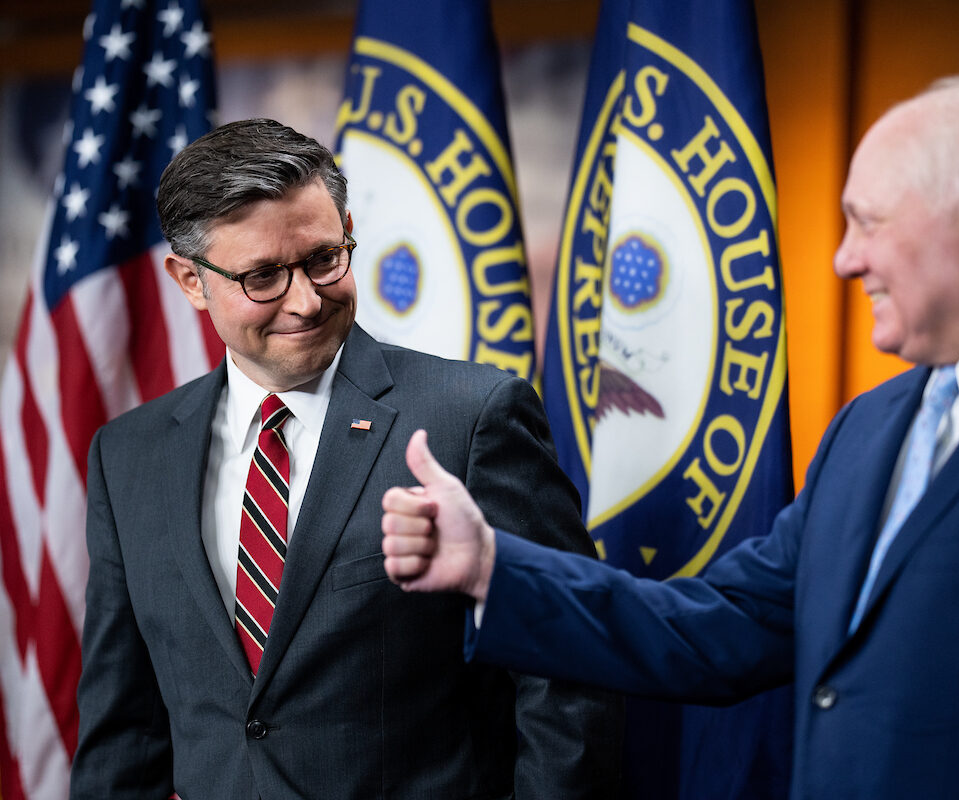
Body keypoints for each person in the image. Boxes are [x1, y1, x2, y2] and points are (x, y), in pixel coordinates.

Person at [381, 77, 959, 798]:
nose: (845, 260)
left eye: (866, 222)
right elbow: (718, 625)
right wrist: (495, 567)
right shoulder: (869, 426)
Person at [71, 119, 621, 799]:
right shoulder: (129, 456)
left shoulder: (472, 417)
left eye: (324, 259)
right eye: (263, 277)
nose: (305, 301)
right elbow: (123, 733)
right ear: (190, 279)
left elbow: (567, 678)